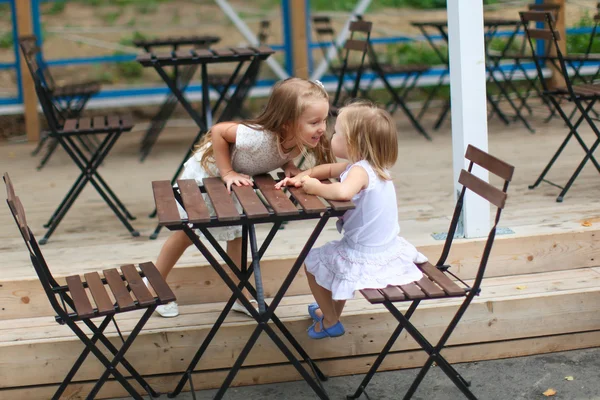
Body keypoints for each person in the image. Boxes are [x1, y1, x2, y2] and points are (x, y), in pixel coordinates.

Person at [153, 78, 334, 318]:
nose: (322, 128)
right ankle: (155, 285)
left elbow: (282, 152)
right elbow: (218, 132)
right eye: (314, 122)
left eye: (324, 120)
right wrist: (227, 171)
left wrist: (289, 164)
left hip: (237, 181)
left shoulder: (302, 139)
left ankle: (239, 294)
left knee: (238, 234)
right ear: (287, 124)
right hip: (209, 173)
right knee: (188, 232)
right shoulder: (256, 137)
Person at [275, 101, 426, 339]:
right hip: (387, 249)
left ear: (352, 143)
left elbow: (342, 193)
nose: (329, 134)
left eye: (336, 133)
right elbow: (327, 170)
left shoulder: (359, 172)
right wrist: (305, 175)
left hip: (366, 255)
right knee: (339, 267)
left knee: (312, 263)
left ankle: (331, 319)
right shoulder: (368, 165)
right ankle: (329, 310)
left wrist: (314, 188)